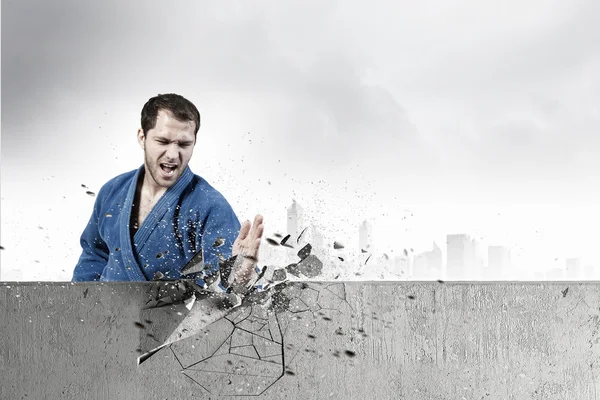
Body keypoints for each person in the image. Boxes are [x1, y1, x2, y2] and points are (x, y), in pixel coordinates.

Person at [72, 93, 263, 291]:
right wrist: (80, 305)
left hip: (175, 321)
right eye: (163, 141)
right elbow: (94, 255)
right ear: (142, 137)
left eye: (183, 144)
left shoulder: (210, 206)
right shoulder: (112, 192)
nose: (172, 155)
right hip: (106, 318)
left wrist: (240, 276)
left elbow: (225, 290)